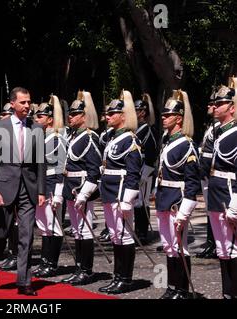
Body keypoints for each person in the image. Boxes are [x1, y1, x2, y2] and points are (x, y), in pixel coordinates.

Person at [0, 87, 46, 296]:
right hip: (4, 188)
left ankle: (24, 281)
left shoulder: (37, 128)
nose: (27, 106)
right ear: (12, 104)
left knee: (27, 236)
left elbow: (40, 162)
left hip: (28, 188)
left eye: (29, 102)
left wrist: (41, 190)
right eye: (23, 102)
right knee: (0, 234)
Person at [155, 90, 200, 299]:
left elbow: (192, 183)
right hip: (164, 197)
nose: (164, 118)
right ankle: (171, 286)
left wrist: (184, 211)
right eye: (163, 115)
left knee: (180, 246)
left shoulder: (187, 144)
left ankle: (182, 290)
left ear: (179, 118)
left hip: (177, 200)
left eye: (168, 115)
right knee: (168, 245)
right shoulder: (167, 140)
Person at [98, 90, 142, 294]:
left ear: (123, 116)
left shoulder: (130, 140)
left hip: (120, 193)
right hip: (109, 191)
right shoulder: (114, 138)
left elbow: (133, 173)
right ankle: (118, 276)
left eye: (112, 113)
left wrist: (127, 200)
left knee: (124, 236)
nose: (107, 117)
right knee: (116, 235)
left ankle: (125, 278)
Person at [59, 91, 101, 285]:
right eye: (70, 114)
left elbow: (94, 171)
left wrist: (84, 194)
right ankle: (79, 268)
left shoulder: (90, 138)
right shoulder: (75, 136)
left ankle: (87, 270)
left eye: (75, 114)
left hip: (81, 189)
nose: (70, 117)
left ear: (84, 116)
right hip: (71, 188)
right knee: (77, 231)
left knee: (84, 231)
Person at [32, 94, 67, 278]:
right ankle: (45, 262)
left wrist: (59, 193)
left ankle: (52, 264)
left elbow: (61, 168)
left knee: (53, 226)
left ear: (50, 119)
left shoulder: (57, 139)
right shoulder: (42, 138)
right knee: (44, 226)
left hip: (53, 186)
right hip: (42, 186)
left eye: (40, 117)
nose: (37, 119)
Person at [208, 77, 237, 299]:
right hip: (217, 196)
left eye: (220, 104)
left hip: (230, 197)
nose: (215, 107)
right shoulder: (218, 132)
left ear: (232, 107)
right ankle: (227, 294)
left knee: (234, 250)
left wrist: (235, 205)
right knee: (223, 250)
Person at [196, 90, 219, 259]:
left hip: (212, 175)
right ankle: (211, 243)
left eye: (213, 104)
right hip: (206, 175)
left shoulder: (219, 128)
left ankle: (215, 243)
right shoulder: (212, 126)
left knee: (215, 211)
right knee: (210, 211)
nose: (210, 107)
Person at [134, 94, 158, 244]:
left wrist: (145, 174)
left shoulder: (147, 130)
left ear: (142, 112)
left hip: (145, 171)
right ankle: (138, 230)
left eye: (136, 110)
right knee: (136, 202)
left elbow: (150, 154)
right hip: (136, 170)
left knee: (142, 202)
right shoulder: (135, 129)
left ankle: (142, 233)